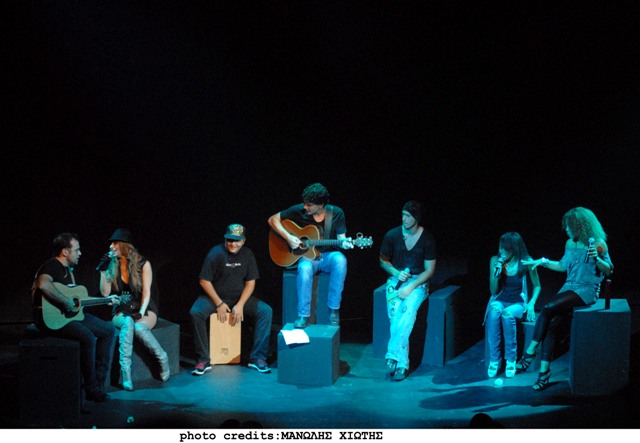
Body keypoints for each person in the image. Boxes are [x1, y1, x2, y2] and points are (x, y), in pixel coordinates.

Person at [517, 207, 613, 390]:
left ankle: (530, 352)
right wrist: (542, 262)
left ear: (580, 225)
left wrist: (598, 259)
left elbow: (609, 270)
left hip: (586, 290)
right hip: (568, 288)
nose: (566, 229)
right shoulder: (570, 243)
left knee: (547, 307)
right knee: (551, 324)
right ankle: (544, 373)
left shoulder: (599, 244)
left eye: (569, 226)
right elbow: (562, 266)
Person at [31, 232, 118, 402]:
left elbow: (79, 299)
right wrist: (64, 301)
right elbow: (43, 284)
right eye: (76, 250)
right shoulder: (52, 265)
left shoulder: (68, 271)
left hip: (71, 316)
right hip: (52, 320)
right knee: (88, 338)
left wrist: (107, 300)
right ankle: (91, 388)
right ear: (65, 251)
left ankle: (99, 382)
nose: (80, 253)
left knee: (108, 330)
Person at [189, 224, 273, 375]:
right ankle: (203, 359)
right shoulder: (215, 253)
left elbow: (251, 282)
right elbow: (204, 281)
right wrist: (219, 303)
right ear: (225, 239)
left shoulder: (248, 254)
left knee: (265, 311)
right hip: (214, 297)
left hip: (238, 298)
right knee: (196, 312)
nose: (233, 244)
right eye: (230, 240)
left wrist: (240, 304)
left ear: (243, 241)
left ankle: (258, 358)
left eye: (237, 241)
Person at [267, 182, 353, 329]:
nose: (305, 207)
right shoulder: (299, 210)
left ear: (321, 205)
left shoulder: (336, 213)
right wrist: (288, 237)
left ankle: (333, 309)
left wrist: (345, 244)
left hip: (328, 255)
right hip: (309, 257)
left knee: (340, 260)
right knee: (304, 268)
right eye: (305, 203)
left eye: (309, 205)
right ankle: (303, 315)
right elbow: (272, 219)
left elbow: (341, 238)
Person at [97, 228, 170, 391]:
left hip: (144, 307)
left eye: (115, 243)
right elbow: (105, 293)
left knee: (139, 327)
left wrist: (141, 312)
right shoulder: (112, 264)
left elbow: (147, 293)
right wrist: (102, 270)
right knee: (128, 323)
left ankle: (162, 358)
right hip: (121, 308)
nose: (111, 246)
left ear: (125, 245)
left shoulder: (143, 263)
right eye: (111, 243)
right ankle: (126, 374)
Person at [379, 200, 436, 381]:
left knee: (408, 311)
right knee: (395, 315)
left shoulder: (427, 238)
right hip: (396, 280)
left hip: (417, 283)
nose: (404, 218)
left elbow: (429, 270)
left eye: (408, 216)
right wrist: (396, 273)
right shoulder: (392, 235)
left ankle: (392, 355)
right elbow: (383, 260)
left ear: (416, 218)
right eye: (403, 214)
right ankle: (402, 364)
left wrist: (411, 286)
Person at [485, 232, 541, 379]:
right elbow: (493, 291)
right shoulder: (495, 260)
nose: (502, 251)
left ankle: (511, 359)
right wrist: (496, 274)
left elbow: (537, 286)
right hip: (500, 299)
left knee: (507, 314)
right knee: (494, 311)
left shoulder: (527, 261)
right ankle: (494, 359)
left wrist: (531, 303)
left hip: (518, 302)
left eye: (506, 249)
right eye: (500, 248)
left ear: (515, 248)